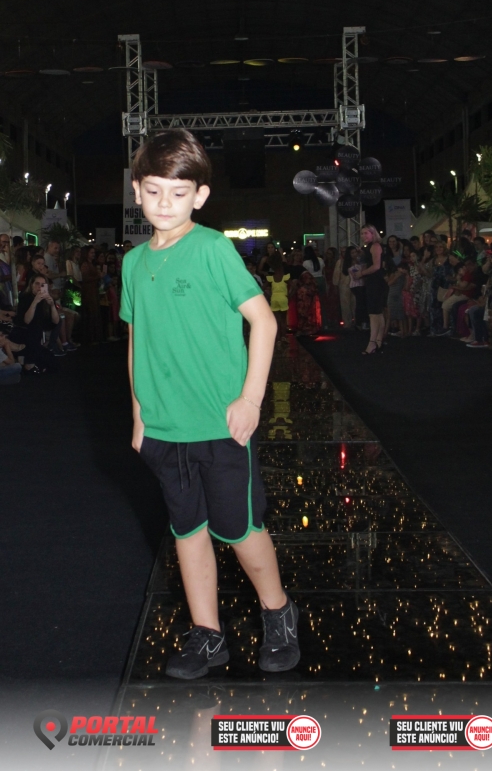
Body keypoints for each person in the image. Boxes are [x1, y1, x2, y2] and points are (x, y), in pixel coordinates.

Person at [120, 129, 299, 680]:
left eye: (178, 193)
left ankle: (279, 613)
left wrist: (251, 400)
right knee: (187, 530)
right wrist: (139, 414)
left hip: (221, 425)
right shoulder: (132, 263)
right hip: (164, 428)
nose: (164, 203)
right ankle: (207, 634)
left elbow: (264, 322)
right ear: (136, 190)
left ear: (199, 196)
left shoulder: (213, 248)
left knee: (240, 529)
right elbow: (136, 339)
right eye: (154, 191)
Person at [351, 225, 388, 353]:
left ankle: (372, 343)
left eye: (366, 233)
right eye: (362, 233)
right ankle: (378, 341)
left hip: (376, 282)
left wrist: (361, 273)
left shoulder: (375, 246)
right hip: (374, 282)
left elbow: (376, 266)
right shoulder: (370, 247)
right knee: (377, 313)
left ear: (373, 233)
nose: (363, 236)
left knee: (373, 314)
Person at [14, 274, 59, 374]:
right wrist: (35, 302)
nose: (39, 287)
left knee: (53, 364)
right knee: (34, 331)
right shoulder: (25, 297)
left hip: (36, 334)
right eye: (37, 284)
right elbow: (27, 321)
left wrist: (52, 305)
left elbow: (56, 321)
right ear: (31, 285)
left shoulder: (46, 300)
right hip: (24, 332)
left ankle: (31, 364)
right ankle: (29, 364)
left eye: (42, 285)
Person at [80, 246, 103, 343]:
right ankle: (90, 337)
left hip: (93, 290)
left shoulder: (90, 264)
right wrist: (97, 276)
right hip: (89, 291)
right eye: (91, 253)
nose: (93, 255)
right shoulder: (85, 264)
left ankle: (93, 336)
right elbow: (84, 278)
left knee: (94, 313)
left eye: (94, 253)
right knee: (91, 312)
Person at [266, 253, 290, 346]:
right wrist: (289, 295)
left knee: (277, 320)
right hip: (283, 298)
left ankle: (278, 339)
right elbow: (293, 286)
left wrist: (269, 295)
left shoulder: (271, 278)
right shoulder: (285, 277)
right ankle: (284, 337)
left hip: (274, 298)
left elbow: (263, 288)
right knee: (283, 320)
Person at [333, 246, 356, 329]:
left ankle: (354, 322)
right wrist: (336, 285)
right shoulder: (340, 262)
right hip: (344, 286)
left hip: (353, 285)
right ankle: (347, 323)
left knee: (354, 304)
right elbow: (336, 275)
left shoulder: (355, 261)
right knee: (345, 305)